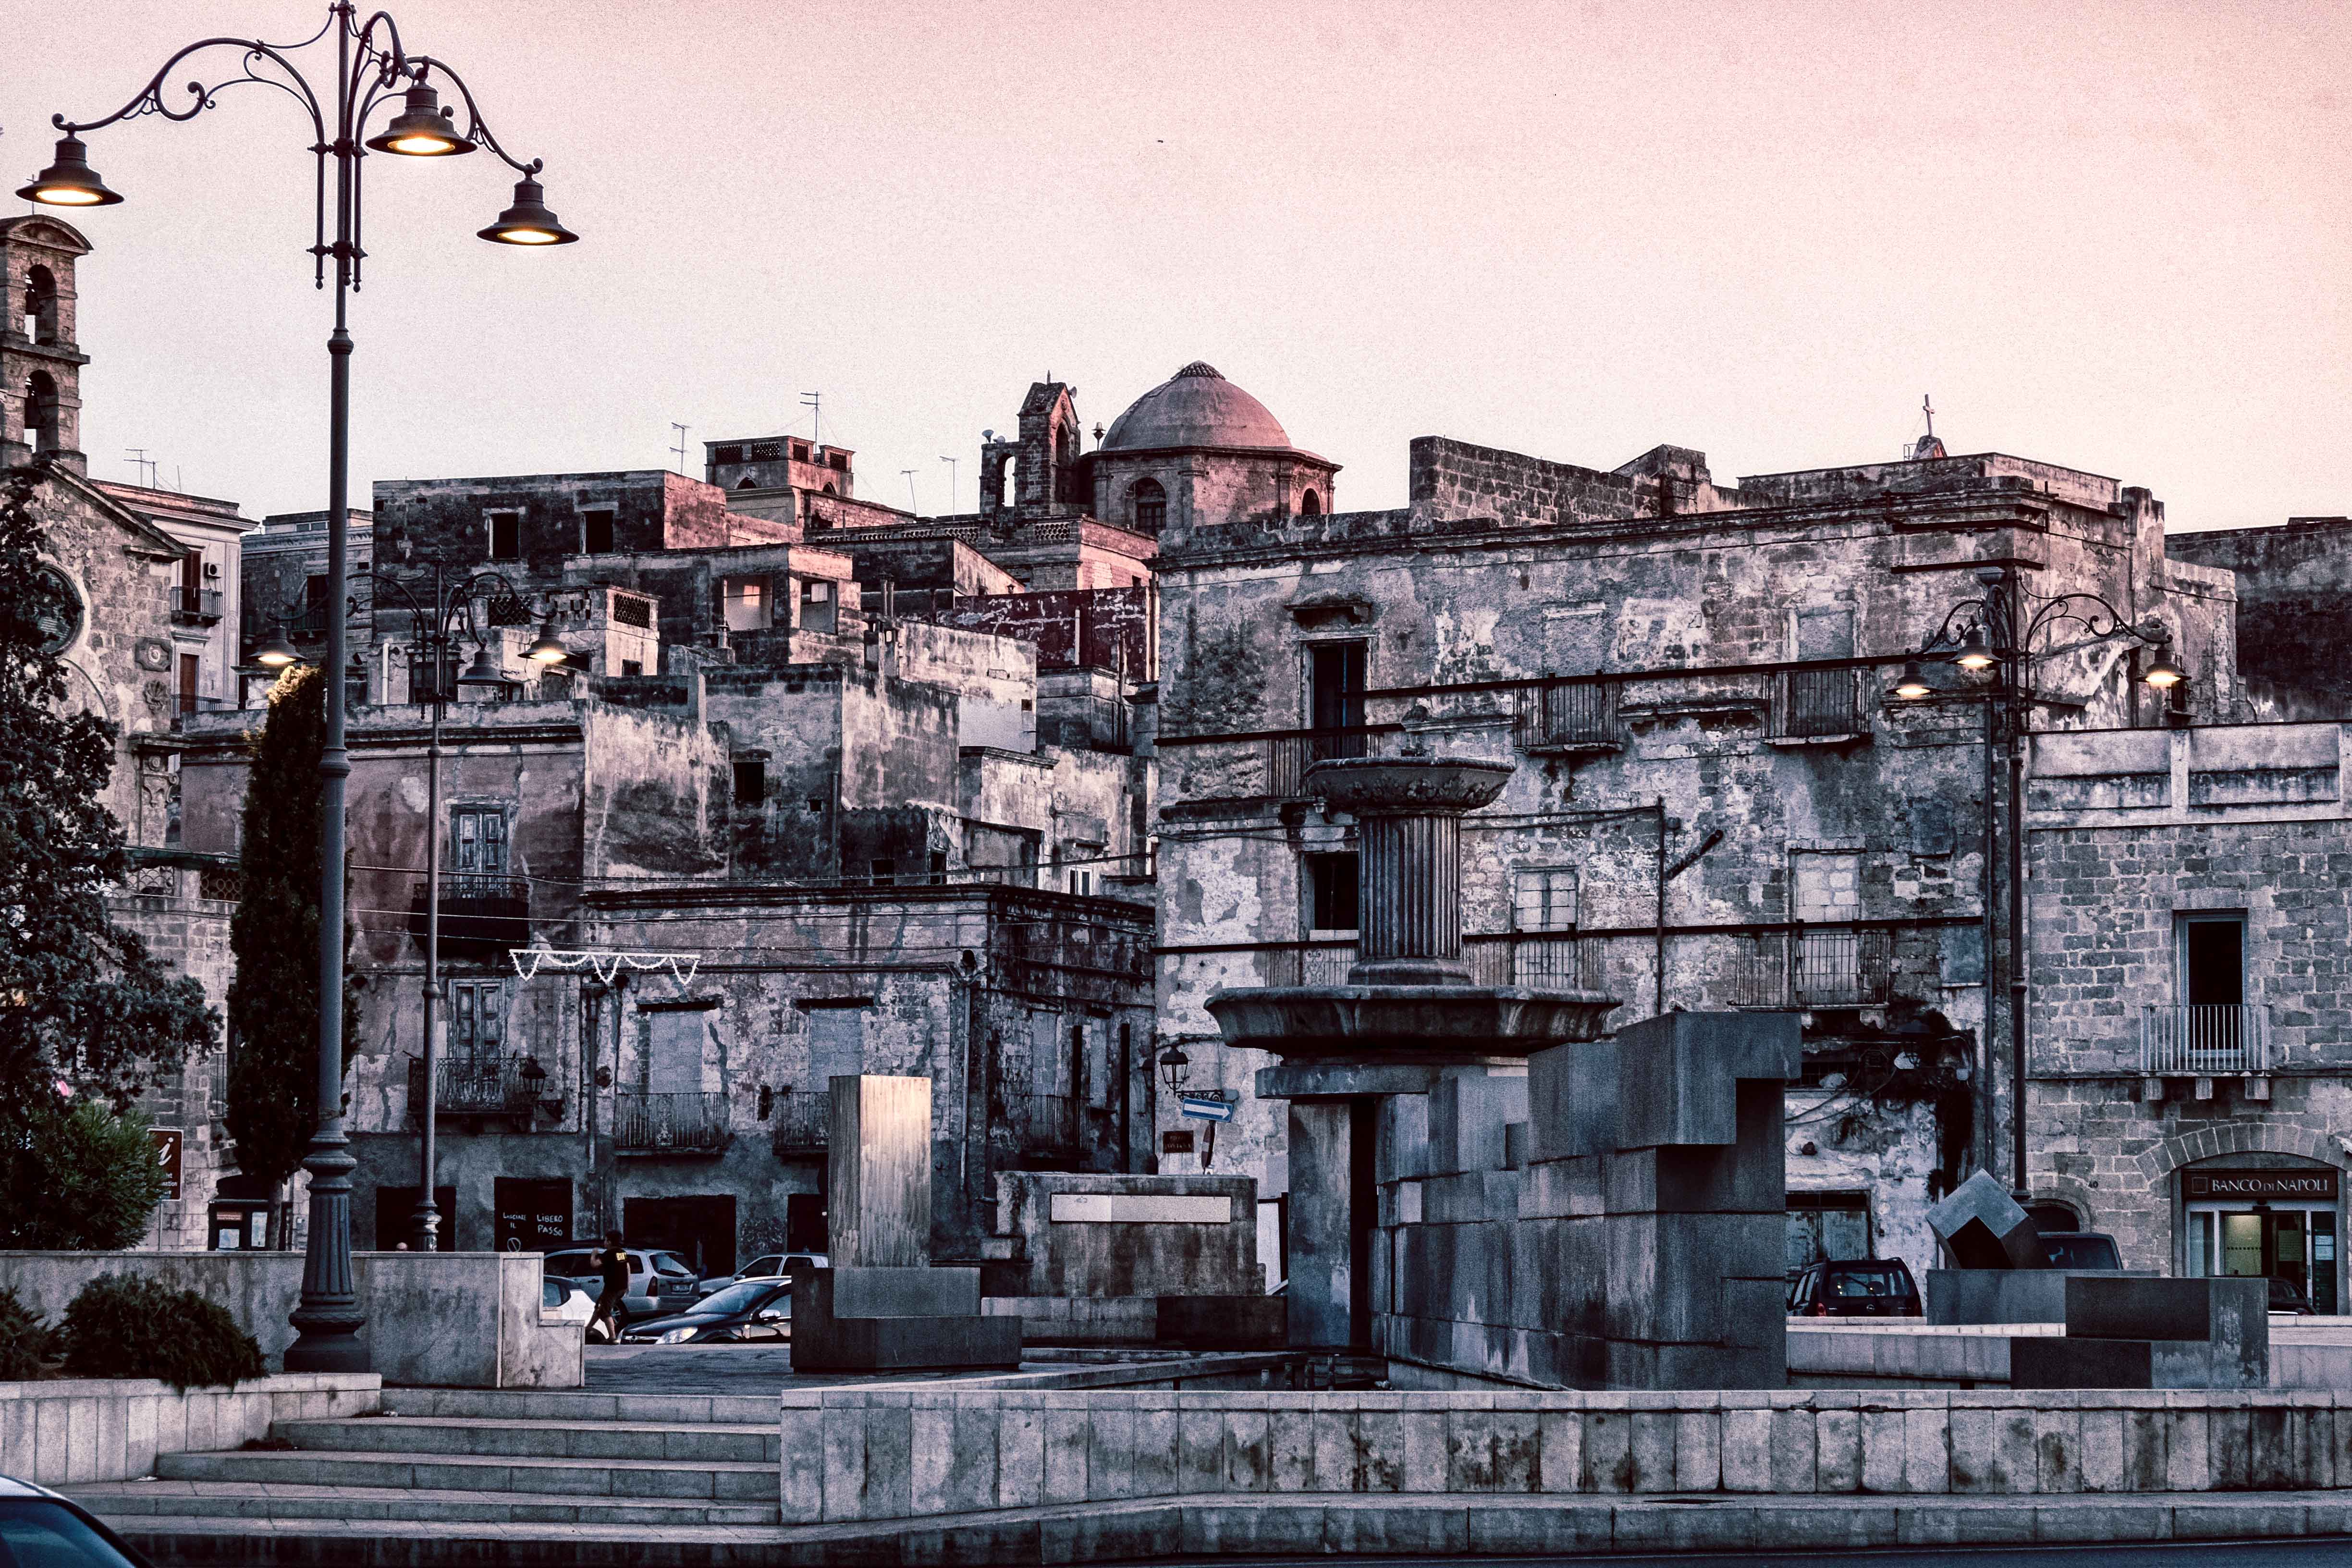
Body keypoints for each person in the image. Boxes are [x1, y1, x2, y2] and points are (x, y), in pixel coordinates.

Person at [590, 1230, 630, 1342]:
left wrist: (593, 1255)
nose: (604, 1242)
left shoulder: (609, 1254)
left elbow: (595, 1265)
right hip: (622, 1287)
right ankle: (588, 1328)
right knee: (600, 1306)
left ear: (609, 1242)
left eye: (606, 1240)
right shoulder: (622, 1253)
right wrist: (628, 1284)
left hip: (612, 1287)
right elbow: (627, 1267)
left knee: (605, 1311)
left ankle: (612, 1337)